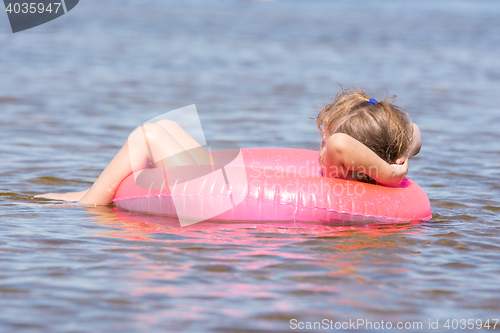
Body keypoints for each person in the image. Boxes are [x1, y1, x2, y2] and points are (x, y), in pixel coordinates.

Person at [37, 87, 421, 206]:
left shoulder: (346, 165)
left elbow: (339, 142)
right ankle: (70, 197)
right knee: (166, 126)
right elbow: (413, 132)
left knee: (149, 135)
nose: (322, 149)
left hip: (220, 195)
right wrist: (398, 156)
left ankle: (91, 206)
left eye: (322, 141)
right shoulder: (373, 165)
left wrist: (391, 170)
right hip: (223, 184)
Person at [317, 88, 421, 187]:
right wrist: (404, 155)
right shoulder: (387, 175)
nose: (322, 148)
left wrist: (391, 174)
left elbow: (338, 142)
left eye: (324, 143)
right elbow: (414, 129)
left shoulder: (340, 176)